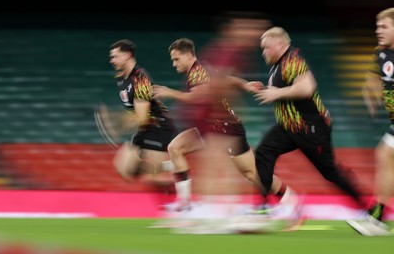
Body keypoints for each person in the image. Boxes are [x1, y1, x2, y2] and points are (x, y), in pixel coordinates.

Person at [154, 37, 297, 220]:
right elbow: (226, 79)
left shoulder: (198, 73)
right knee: (176, 147)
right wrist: (244, 84)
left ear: (189, 55)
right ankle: (186, 203)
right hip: (210, 128)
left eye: (176, 59)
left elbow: (199, 97)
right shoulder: (202, 69)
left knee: (251, 173)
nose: (174, 64)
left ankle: (288, 198)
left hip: (226, 128)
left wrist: (169, 92)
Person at [253, 27, 375, 226]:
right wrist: (267, 90)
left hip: (310, 128)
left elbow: (307, 87)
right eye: (262, 48)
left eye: (267, 48)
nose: (263, 52)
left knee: (331, 173)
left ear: (281, 45)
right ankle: (261, 208)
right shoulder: (278, 65)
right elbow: (285, 89)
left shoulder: (293, 61)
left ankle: (369, 208)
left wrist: (276, 93)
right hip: (288, 127)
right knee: (264, 152)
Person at [105, 39, 178, 190]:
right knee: (123, 169)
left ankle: (179, 184)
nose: (112, 60)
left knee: (153, 179)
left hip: (158, 127)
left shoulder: (140, 79)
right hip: (145, 129)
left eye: (115, 56)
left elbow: (143, 117)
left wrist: (119, 123)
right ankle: (169, 167)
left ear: (127, 55)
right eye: (111, 57)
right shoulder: (123, 81)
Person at [346, 8, 394, 236]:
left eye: (384, 26)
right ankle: (377, 218)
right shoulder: (381, 53)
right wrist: (371, 90)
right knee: (384, 155)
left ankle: (377, 218)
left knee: (385, 155)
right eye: (377, 26)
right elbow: (374, 76)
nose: (378, 31)